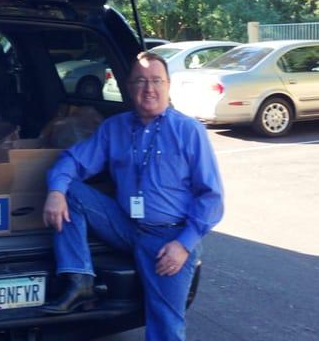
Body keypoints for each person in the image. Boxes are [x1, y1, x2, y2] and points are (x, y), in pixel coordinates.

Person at [41, 51, 224, 341]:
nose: (148, 89)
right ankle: (80, 279)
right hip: (126, 226)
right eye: (140, 81)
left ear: (168, 85)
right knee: (70, 190)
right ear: (128, 87)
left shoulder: (189, 131)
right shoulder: (115, 128)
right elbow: (73, 160)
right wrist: (55, 191)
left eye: (156, 81)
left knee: (165, 326)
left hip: (168, 239)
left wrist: (184, 244)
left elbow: (211, 198)